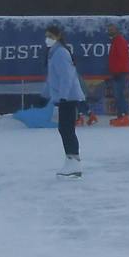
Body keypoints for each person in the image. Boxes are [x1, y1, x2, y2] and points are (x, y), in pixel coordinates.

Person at [41, 24, 85, 176]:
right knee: (64, 129)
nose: (47, 39)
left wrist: (63, 96)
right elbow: (52, 78)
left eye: (51, 36)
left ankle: (74, 162)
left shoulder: (60, 53)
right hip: (63, 97)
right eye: (46, 36)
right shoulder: (53, 53)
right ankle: (70, 160)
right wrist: (44, 95)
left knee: (67, 129)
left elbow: (67, 76)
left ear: (58, 37)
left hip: (68, 97)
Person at [104, 24, 129, 126]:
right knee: (118, 95)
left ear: (117, 30)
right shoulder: (116, 41)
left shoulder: (119, 41)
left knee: (119, 95)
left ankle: (125, 117)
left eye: (111, 29)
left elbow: (122, 58)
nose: (109, 31)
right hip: (118, 72)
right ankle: (121, 116)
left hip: (119, 72)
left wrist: (117, 71)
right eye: (109, 29)